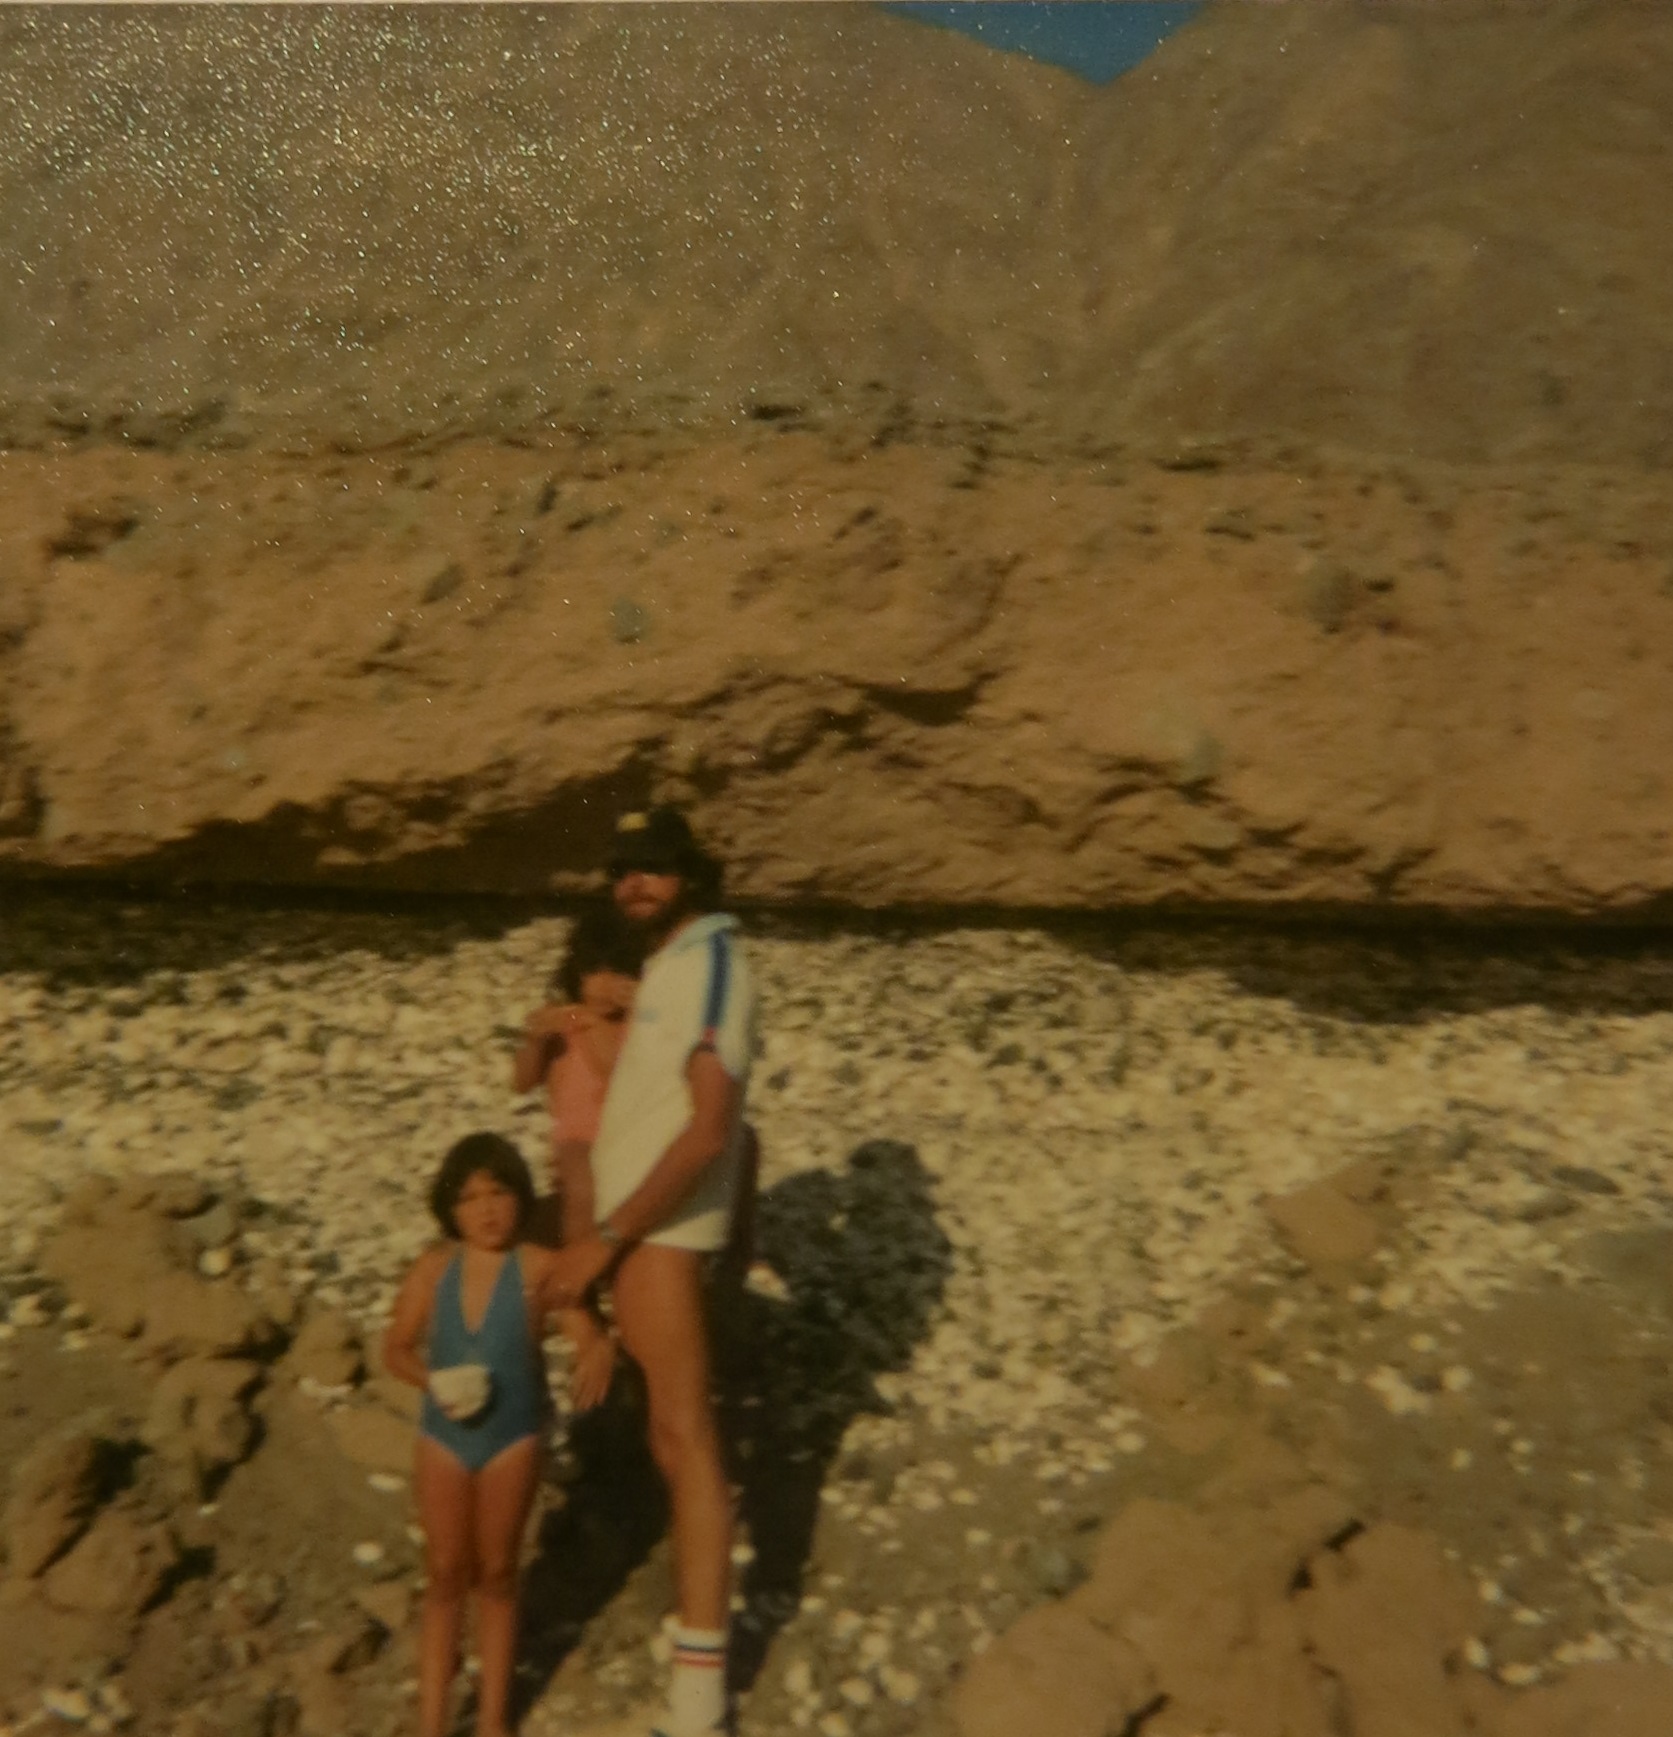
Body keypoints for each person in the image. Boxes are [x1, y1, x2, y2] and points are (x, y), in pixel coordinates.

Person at [549, 806, 759, 1737]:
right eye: (620, 867)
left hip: (657, 1230)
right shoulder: (668, 965)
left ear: (693, 874)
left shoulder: (714, 961)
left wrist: (606, 1239)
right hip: (635, 1225)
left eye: (654, 865)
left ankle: (698, 1702)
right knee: (672, 1436)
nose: (632, 881)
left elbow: (712, 1127)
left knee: (685, 1438)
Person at [383, 1132, 597, 1737]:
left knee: (499, 1573)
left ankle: (493, 1722)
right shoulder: (434, 1269)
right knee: (445, 1572)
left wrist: (595, 1348)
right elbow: (395, 1348)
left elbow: (581, 1326)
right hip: (443, 1438)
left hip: (514, 1439)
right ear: (450, 1208)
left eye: (498, 1193)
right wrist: (431, 1381)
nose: (486, 1210)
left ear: (520, 1198)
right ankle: (432, 1723)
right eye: (471, 1198)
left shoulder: (538, 1267)